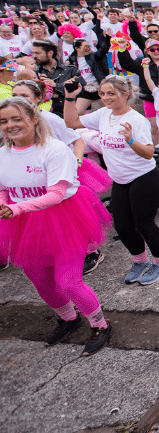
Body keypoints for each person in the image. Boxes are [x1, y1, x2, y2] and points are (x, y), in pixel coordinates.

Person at [0, 97, 113, 355]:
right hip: (24, 223)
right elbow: (3, 189)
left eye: (17, 119)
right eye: (4, 121)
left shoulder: (54, 149)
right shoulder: (3, 154)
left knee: (68, 282)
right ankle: (69, 319)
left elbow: (56, 193)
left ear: (33, 119)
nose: (10, 125)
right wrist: (3, 204)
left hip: (62, 219)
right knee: (40, 280)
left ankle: (100, 324)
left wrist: (16, 207)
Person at [63, 76, 159, 285]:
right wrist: (69, 97)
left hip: (144, 178)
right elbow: (72, 122)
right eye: (102, 94)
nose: (105, 98)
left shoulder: (136, 120)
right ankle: (140, 262)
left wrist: (130, 140)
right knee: (122, 226)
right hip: (120, 180)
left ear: (125, 94)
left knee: (144, 224)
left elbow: (149, 153)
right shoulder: (104, 114)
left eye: (111, 93)